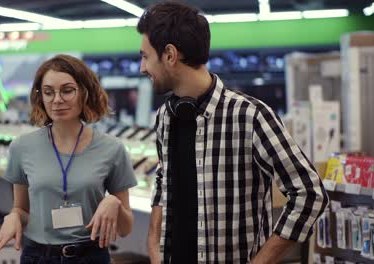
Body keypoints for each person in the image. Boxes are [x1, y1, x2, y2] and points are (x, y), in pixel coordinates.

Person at [137, 2, 328, 263]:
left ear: (169, 55)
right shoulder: (164, 118)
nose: (142, 67)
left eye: (145, 56)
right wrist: (154, 245)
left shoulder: (250, 116)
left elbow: (309, 194)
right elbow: (162, 179)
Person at [0, 54, 138, 264]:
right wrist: (14, 217)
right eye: (48, 92)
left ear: (84, 92)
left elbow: (125, 228)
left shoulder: (112, 149)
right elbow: (21, 209)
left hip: (90, 255)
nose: (57, 100)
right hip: (38, 256)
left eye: (67, 90)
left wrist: (114, 203)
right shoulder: (21, 147)